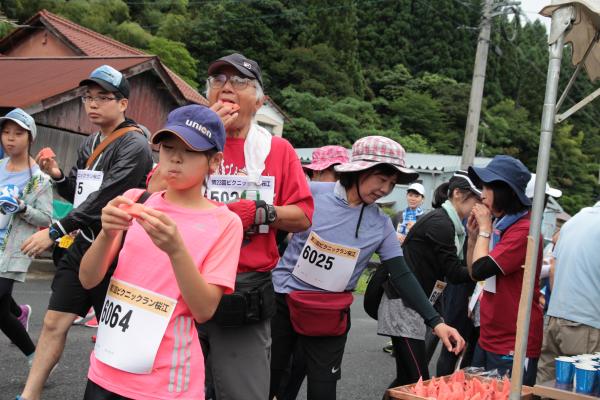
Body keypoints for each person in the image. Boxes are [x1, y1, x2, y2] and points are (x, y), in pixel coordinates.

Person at [269, 136, 465, 400]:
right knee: (274, 381)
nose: (385, 189)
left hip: (329, 314)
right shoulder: (311, 193)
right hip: (284, 301)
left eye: (392, 184)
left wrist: (436, 322)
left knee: (323, 389)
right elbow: (271, 231)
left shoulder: (381, 224)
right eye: (381, 179)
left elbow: (402, 273)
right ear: (359, 171)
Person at [76, 105, 242, 399]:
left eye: (190, 151)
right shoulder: (135, 200)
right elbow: (88, 279)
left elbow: (204, 311)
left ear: (214, 161)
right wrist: (106, 232)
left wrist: (176, 250)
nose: (175, 158)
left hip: (167, 381)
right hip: (106, 365)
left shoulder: (225, 223)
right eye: (168, 147)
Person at [18, 65, 153, 400]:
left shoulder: (135, 145)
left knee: (113, 336)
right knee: (52, 322)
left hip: (118, 253)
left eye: (103, 98)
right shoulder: (91, 141)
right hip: (83, 245)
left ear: (123, 104)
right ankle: (30, 394)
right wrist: (60, 176)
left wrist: (56, 230)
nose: (92, 104)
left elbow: (108, 197)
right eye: (88, 98)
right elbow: (82, 193)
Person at [196, 53, 314, 400]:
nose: (226, 88)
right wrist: (202, 135)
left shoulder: (278, 150)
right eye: (218, 81)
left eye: (240, 82)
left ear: (260, 100)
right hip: (186, 280)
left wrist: (262, 213)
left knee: (242, 392)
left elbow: (304, 214)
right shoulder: (189, 138)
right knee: (179, 388)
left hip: (243, 289)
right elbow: (156, 192)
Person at [378, 171, 479, 388]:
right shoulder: (441, 224)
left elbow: (456, 268)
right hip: (403, 305)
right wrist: (483, 268)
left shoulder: (451, 225)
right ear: (459, 195)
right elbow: (455, 272)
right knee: (418, 380)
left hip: (415, 305)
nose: (479, 208)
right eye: (476, 201)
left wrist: (471, 242)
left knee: (407, 380)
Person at [466, 155, 543, 386]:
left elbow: (480, 269)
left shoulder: (524, 230)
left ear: (505, 191)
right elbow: (475, 274)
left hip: (514, 340)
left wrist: (485, 230)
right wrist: (472, 239)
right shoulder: (503, 225)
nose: (481, 194)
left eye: (487, 188)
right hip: (490, 334)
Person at [0, 108, 52, 367]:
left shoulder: (39, 180)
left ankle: (37, 360)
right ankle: (19, 314)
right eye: (6, 132)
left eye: (18, 133)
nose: (10, 138)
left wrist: (21, 207)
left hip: (12, 250)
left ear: (30, 137)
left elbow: (46, 218)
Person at [536, 196, 600, 383]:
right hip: (587, 325)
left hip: (555, 318)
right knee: (583, 391)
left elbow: (554, 266)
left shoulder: (577, 218)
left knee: (546, 388)